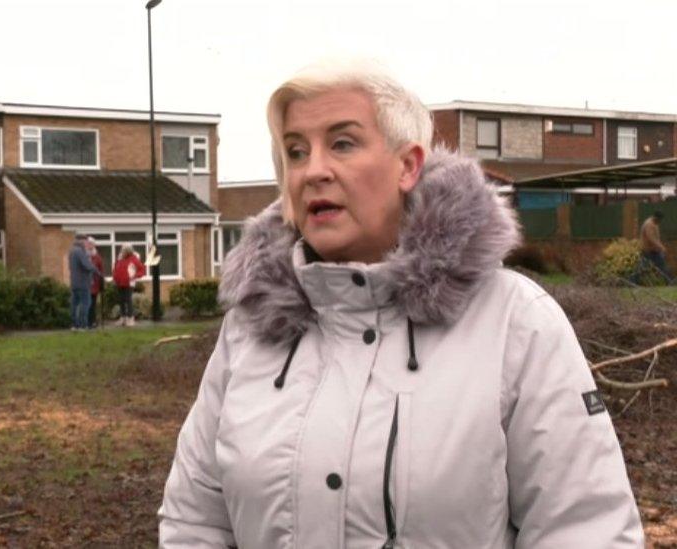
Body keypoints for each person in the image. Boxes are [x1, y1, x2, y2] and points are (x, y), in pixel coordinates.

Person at [158, 59, 644, 547]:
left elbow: (587, 529)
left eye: (342, 143)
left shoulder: (515, 323)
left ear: (407, 165)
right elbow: (194, 519)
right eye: (295, 152)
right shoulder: (249, 330)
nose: (312, 171)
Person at [112, 245, 145, 327]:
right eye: (122, 250)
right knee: (121, 300)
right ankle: (123, 318)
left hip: (129, 283)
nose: (122, 252)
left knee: (128, 300)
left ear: (128, 251)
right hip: (119, 282)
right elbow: (116, 269)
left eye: (123, 251)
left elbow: (142, 270)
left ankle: (130, 318)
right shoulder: (120, 259)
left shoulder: (134, 259)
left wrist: (134, 276)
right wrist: (115, 278)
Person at [68, 234, 96, 330]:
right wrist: (94, 269)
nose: (86, 243)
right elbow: (87, 265)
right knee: (85, 303)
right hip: (83, 282)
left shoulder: (72, 251)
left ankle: (74, 325)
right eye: (85, 241)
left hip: (74, 282)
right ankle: (83, 325)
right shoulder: (80, 251)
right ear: (82, 241)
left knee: (75, 304)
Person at [639, 210, 674, 283]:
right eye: (660, 220)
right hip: (649, 251)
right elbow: (651, 238)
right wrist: (661, 247)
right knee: (662, 266)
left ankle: (670, 281)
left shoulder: (654, 223)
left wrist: (660, 246)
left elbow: (656, 238)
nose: (660, 222)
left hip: (653, 250)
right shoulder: (649, 224)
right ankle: (670, 281)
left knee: (644, 267)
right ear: (656, 218)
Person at [87, 238, 105, 328]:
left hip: (94, 284)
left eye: (91, 244)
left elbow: (101, 270)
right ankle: (86, 322)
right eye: (88, 244)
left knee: (92, 304)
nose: (89, 245)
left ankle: (92, 322)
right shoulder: (84, 256)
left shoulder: (97, 257)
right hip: (85, 284)